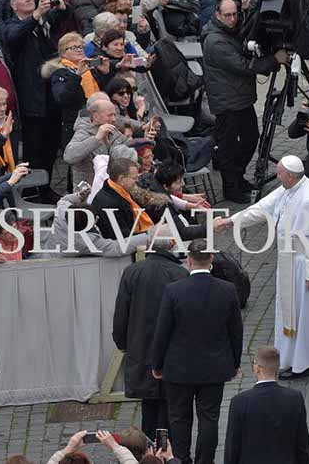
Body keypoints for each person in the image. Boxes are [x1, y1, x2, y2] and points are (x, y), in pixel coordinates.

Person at [215, 155, 309, 379]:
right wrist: (231, 221)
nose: (276, 176)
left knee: (305, 313)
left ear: (290, 176)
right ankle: (290, 358)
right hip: (291, 261)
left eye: (279, 173)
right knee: (290, 312)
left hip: (306, 265)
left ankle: (305, 362)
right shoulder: (287, 189)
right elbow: (261, 209)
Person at [151, 239, 244, 464]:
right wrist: (234, 363)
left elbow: (162, 332)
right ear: (211, 258)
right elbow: (236, 331)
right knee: (209, 418)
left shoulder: (174, 291)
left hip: (179, 367)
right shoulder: (227, 289)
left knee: (179, 418)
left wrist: (157, 364)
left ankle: (181, 459)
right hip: (214, 367)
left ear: (189, 261)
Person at [201, 0, 289, 203]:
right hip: (227, 102)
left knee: (250, 139)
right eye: (228, 15)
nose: (233, 19)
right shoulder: (215, 41)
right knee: (229, 147)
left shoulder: (228, 30)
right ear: (217, 15)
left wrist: (250, 11)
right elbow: (243, 66)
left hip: (239, 98)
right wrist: (273, 60)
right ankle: (231, 187)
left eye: (235, 14)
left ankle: (237, 178)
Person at [114, 236, 189, 439]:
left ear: (148, 245)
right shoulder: (180, 273)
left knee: (149, 404)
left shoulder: (132, 272)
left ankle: (148, 446)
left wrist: (122, 342)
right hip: (172, 350)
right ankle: (168, 447)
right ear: (171, 244)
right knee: (170, 404)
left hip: (141, 346)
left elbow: (122, 312)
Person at [2, 0, 71, 204]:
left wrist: (62, 6)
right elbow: (14, 37)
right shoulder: (10, 26)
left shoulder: (42, 22)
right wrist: (36, 15)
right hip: (31, 98)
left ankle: (45, 188)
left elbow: (61, 15)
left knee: (51, 146)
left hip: (51, 96)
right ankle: (30, 192)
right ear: (13, 5)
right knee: (33, 150)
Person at [224, 345, 309, 464]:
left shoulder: (239, 402)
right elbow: (302, 444)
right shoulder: (295, 398)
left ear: (257, 368)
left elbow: (232, 447)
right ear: (277, 367)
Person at [43, 184, 156, 258]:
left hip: (48, 252)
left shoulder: (62, 211)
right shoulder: (87, 241)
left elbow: (64, 200)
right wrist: (148, 236)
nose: (97, 219)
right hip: (58, 265)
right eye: (94, 219)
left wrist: (80, 196)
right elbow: (117, 248)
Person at [43, 31, 112, 148]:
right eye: (74, 48)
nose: (79, 50)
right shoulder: (60, 72)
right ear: (63, 53)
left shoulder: (89, 69)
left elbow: (102, 93)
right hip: (74, 125)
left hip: (96, 120)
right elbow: (61, 98)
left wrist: (105, 73)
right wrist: (77, 75)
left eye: (81, 47)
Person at [64, 98, 129, 189]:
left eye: (115, 115)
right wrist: (96, 139)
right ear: (96, 116)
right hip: (89, 191)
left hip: (111, 187)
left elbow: (129, 148)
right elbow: (68, 156)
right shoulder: (83, 132)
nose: (114, 119)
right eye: (110, 115)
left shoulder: (112, 131)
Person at [92, 157, 155, 240]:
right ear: (121, 179)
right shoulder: (109, 204)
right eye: (134, 178)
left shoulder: (120, 191)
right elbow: (123, 238)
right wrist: (152, 234)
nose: (137, 180)